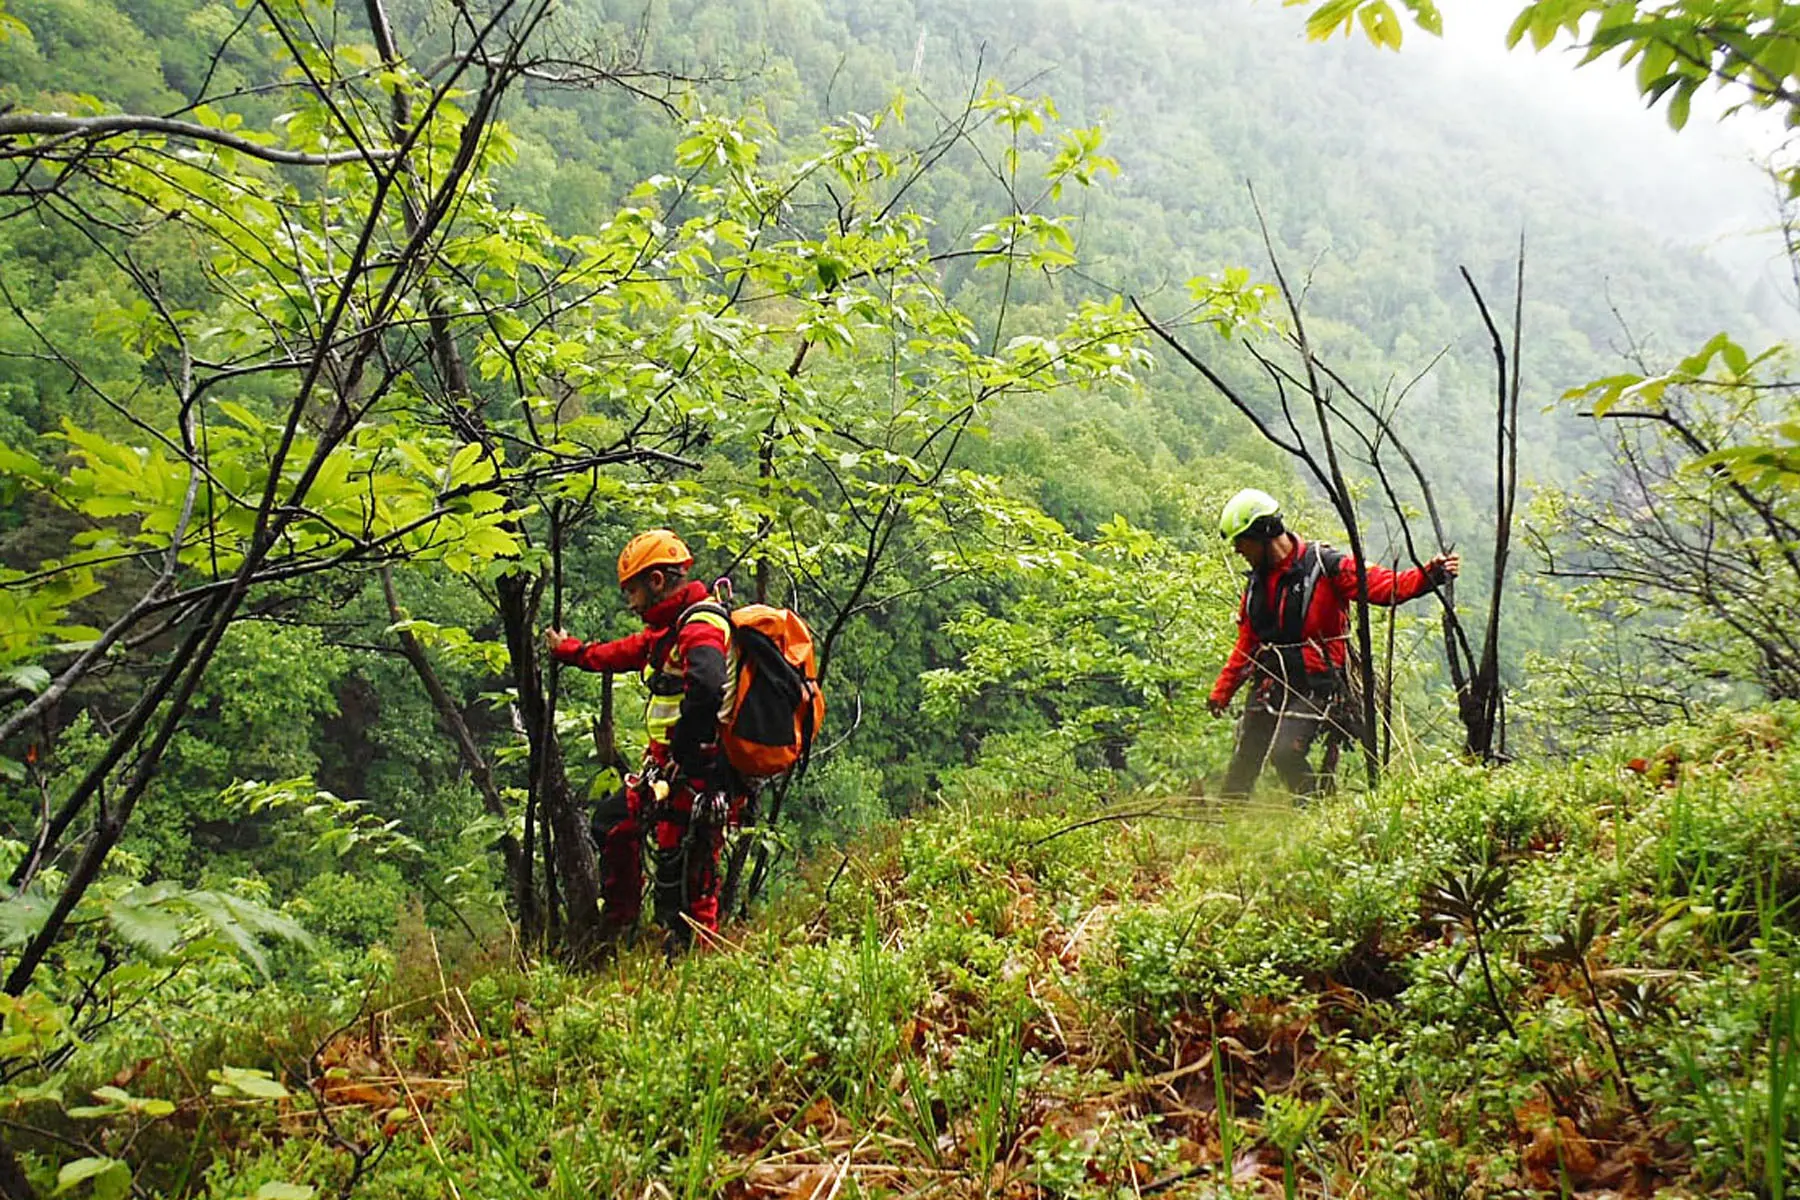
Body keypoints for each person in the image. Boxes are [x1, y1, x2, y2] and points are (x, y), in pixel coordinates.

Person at [544, 529, 741, 955]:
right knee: (616, 827)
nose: (630, 603)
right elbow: (621, 652)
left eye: (633, 591)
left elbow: (707, 687)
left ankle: (697, 956)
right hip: (672, 769)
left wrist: (685, 754)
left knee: (689, 866)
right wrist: (572, 651)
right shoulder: (669, 629)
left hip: (697, 773)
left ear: (656, 582)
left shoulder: (700, 626)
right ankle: (619, 928)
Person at [1206, 489, 1460, 799]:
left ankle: (1319, 812)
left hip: (1317, 685)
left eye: (1240, 541)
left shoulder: (1325, 566)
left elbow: (1382, 586)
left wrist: (1430, 574)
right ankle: (1226, 824)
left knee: (1285, 753)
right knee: (1246, 757)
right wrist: (1222, 691)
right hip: (1272, 682)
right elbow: (1247, 643)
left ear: (1263, 533)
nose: (1236, 550)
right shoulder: (1258, 583)